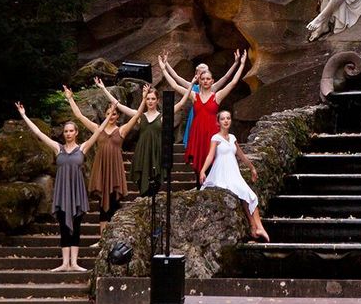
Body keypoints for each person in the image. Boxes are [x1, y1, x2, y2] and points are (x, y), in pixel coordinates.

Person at [14, 101, 110, 272]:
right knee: (64, 227)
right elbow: (38, 133)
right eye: (66, 131)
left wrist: (109, 116)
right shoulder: (57, 149)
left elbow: (99, 131)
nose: (68, 134)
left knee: (77, 227)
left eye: (71, 131)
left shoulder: (83, 148)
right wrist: (24, 115)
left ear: (76, 133)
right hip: (62, 193)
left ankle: (74, 263)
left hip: (77, 193)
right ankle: (65, 263)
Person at [63, 84, 149, 235]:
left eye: (114, 114)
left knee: (115, 201)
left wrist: (142, 99)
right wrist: (70, 99)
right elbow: (79, 116)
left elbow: (136, 116)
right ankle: (102, 237)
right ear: (105, 114)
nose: (111, 116)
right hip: (102, 168)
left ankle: (114, 237)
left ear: (117, 116)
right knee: (102, 204)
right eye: (109, 113)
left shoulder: (121, 130)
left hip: (114, 169)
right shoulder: (98, 129)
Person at [94, 77, 192, 196]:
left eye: (153, 99)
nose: (150, 101)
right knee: (142, 184)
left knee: (155, 184)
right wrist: (103, 88)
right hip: (142, 152)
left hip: (156, 152)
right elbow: (118, 105)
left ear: (157, 100)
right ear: (145, 100)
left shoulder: (162, 116)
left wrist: (191, 84)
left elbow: (181, 103)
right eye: (148, 99)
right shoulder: (139, 116)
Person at [161, 50, 247, 183]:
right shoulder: (194, 95)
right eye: (203, 79)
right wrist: (164, 68)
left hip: (212, 133)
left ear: (212, 81)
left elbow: (232, 82)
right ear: (199, 81)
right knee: (198, 163)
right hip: (198, 132)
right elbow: (175, 84)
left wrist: (240, 64)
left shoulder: (217, 96)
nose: (206, 81)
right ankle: (199, 186)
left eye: (208, 79)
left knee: (213, 161)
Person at [200, 108, 269, 241]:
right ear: (218, 122)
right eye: (223, 119)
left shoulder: (232, 138)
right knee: (248, 195)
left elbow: (241, 155)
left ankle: (254, 227)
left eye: (228, 118)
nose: (226, 121)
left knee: (247, 196)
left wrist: (252, 168)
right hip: (221, 173)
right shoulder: (216, 138)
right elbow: (210, 155)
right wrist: (203, 170)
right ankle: (259, 227)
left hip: (234, 172)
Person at [159, 50, 244, 149]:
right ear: (197, 75)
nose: (204, 76)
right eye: (202, 73)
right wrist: (166, 65)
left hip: (209, 117)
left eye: (206, 73)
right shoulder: (193, 89)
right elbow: (176, 79)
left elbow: (227, 78)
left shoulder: (213, 88)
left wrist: (236, 63)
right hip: (195, 115)